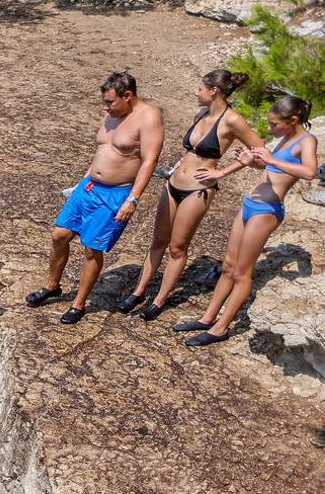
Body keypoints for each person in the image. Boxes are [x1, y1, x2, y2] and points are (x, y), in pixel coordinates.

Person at [120, 70, 263, 320]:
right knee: (157, 241)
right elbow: (191, 152)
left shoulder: (232, 121)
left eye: (200, 88)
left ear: (214, 91)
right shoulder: (202, 114)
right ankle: (139, 291)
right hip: (173, 183)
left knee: (177, 247)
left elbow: (261, 153)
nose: (196, 92)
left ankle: (159, 300)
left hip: (198, 190)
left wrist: (223, 172)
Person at [177, 95, 317, 347]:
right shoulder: (285, 138)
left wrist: (272, 159)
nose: (271, 129)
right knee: (229, 265)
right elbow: (274, 171)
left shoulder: (306, 140)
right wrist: (252, 163)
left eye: (274, 124)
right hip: (249, 203)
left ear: (293, 120)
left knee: (242, 272)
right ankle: (208, 317)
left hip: (267, 210)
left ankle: (221, 328)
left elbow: (310, 171)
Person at [26, 71, 163, 324]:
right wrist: (82, 181)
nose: (105, 107)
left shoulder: (149, 117)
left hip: (115, 193)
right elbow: (103, 149)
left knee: (92, 249)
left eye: (110, 102)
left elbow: (149, 161)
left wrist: (132, 199)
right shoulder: (112, 114)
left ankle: (78, 304)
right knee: (59, 235)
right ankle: (52, 286)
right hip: (88, 186)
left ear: (128, 96)